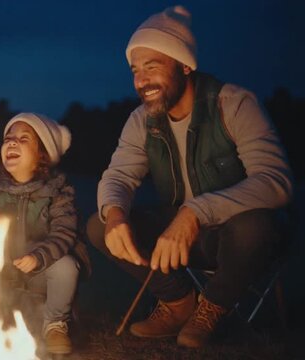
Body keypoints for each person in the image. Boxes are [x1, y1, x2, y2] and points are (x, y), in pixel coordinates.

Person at [86, 5, 293, 348]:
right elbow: (118, 176)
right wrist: (115, 213)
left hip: (239, 240)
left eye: (152, 67)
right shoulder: (142, 121)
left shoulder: (235, 104)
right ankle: (179, 303)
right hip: (179, 242)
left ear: (185, 65)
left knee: (254, 225)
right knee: (99, 223)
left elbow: (276, 182)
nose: (141, 80)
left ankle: (212, 307)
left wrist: (196, 211)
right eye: (135, 69)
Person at [0, 113, 90, 355]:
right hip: (3, 271)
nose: (12, 142)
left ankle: (55, 323)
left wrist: (39, 256)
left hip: (41, 272)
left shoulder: (58, 192)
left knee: (66, 267)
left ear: (43, 155)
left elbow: (64, 234)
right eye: (9, 138)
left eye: (24, 139)